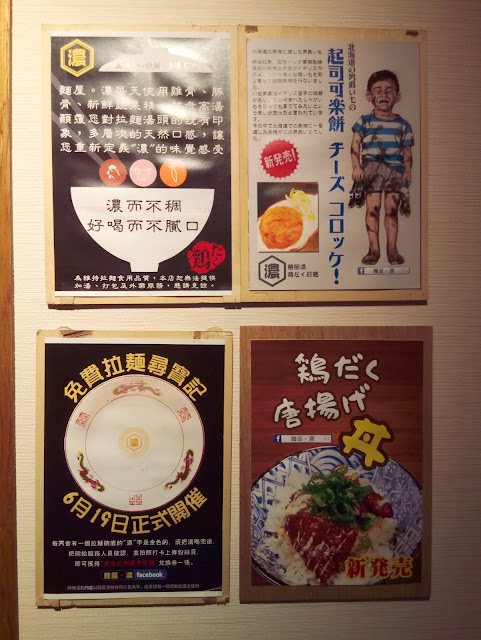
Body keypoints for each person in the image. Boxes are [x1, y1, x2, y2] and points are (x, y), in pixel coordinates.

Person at [350, 70, 414, 265]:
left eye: (389, 91)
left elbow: (407, 151)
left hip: (395, 172)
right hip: (372, 170)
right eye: (378, 91)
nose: (384, 95)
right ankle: (373, 250)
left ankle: (392, 251)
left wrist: (408, 171)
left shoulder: (403, 125)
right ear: (369, 96)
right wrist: (356, 167)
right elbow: (355, 144)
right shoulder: (364, 121)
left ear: (397, 96)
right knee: (372, 208)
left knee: (392, 210)